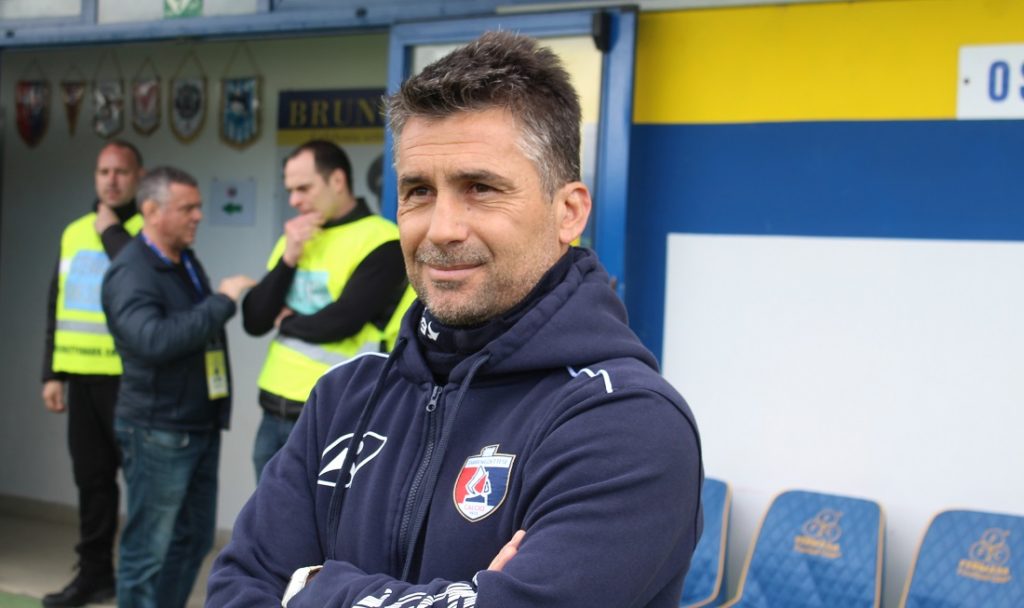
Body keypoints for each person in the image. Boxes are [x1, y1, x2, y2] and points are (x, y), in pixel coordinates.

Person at [207, 31, 703, 608]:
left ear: (569, 212)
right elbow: (235, 590)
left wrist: (315, 588)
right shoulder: (343, 398)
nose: (441, 229)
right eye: (419, 191)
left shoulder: (627, 422)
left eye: (481, 188)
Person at [100, 166, 256, 608]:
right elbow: (152, 341)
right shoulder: (131, 271)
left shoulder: (182, 258)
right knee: (147, 551)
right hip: (158, 430)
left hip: (196, 423)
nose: (199, 216)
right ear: (151, 211)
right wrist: (222, 302)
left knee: (193, 539)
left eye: (199, 207)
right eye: (188, 208)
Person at [243, 139, 412, 481]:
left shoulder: (383, 241)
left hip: (336, 413)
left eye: (303, 188)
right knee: (266, 514)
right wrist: (289, 257)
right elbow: (255, 319)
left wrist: (287, 321)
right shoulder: (296, 238)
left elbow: (342, 322)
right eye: (290, 191)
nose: (294, 200)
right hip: (273, 408)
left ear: (337, 180)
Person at [40, 140, 144, 608]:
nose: (111, 180)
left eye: (121, 172)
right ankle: (95, 575)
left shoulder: (144, 231)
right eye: (104, 172)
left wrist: (110, 231)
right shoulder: (73, 231)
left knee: (141, 485)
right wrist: (52, 373)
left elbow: (138, 279)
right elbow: (57, 302)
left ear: (138, 178)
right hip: (80, 377)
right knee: (92, 482)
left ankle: (139, 584)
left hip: (128, 381)